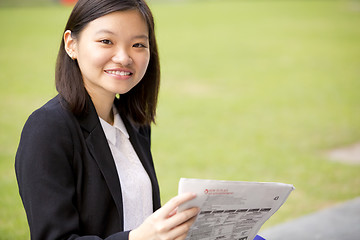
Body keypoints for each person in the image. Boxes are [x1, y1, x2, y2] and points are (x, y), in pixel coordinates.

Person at [15, 0, 199, 239]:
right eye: (106, 41)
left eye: (138, 44)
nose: (124, 57)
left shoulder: (133, 122)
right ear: (71, 44)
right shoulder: (48, 129)